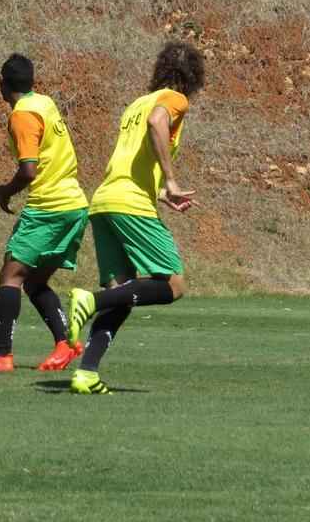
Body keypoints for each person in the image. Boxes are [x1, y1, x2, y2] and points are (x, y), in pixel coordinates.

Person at [64, 42, 205, 394]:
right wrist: (172, 180)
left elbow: (130, 163)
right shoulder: (173, 99)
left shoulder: (135, 106)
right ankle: (90, 300)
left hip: (105, 202)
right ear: (193, 78)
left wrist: (159, 192)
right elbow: (159, 122)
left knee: (123, 294)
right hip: (129, 205)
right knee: (173, 285)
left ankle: (86, 374)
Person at [0, 54, 90, 373]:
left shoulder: (22, 115)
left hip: (49, 206)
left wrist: (3, 192)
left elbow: (28, 171)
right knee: (35, 282)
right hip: (74, 203)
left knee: (10, 275)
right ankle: (66, 344)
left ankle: (2, 356)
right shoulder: (44, 102)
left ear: (2, 83)